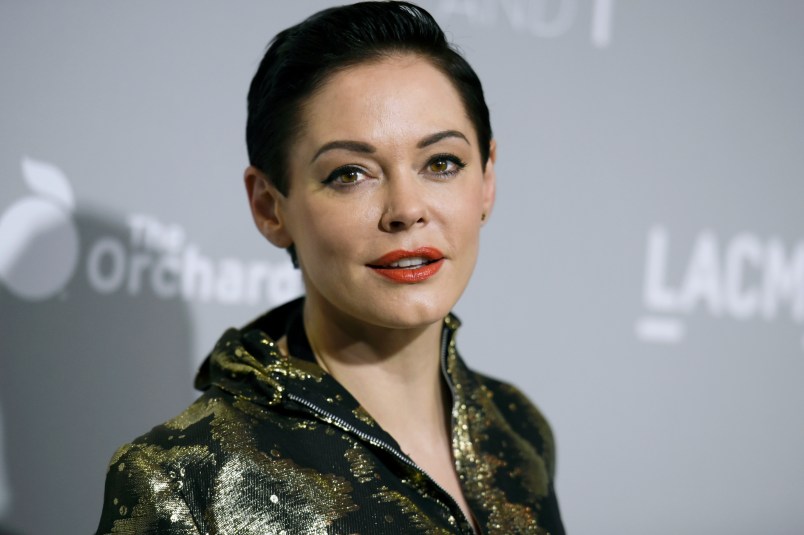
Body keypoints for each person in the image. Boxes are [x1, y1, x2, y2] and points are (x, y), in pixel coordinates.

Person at [95, 2, 564, 533]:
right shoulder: (183, 479)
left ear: (486, 180)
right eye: (349, 174)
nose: (407, 209)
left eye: (441, 163)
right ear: (270, 208)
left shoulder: (517, 429)